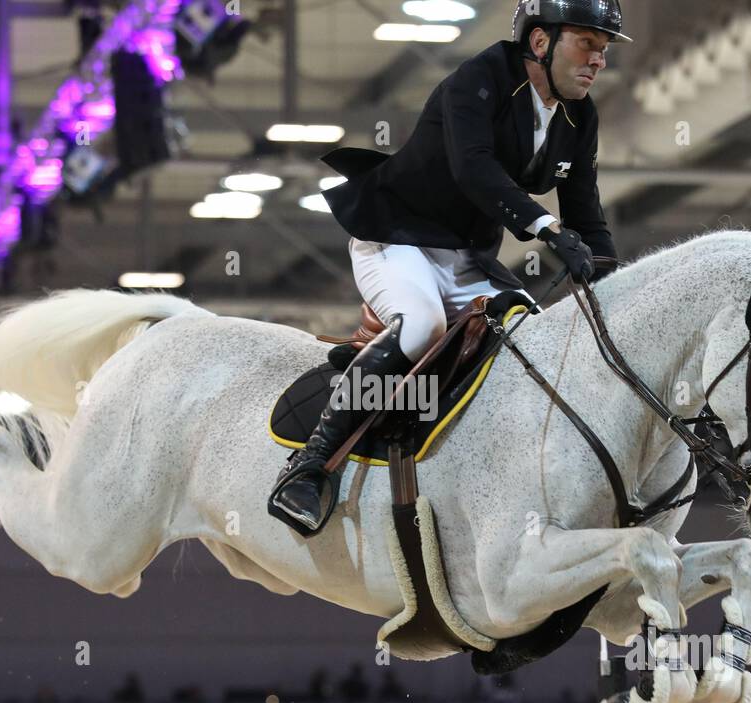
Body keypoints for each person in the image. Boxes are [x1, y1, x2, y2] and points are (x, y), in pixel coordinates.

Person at [268, 0, 631, 536]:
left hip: (465, 255)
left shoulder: (581, 115)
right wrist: (547, 230)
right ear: (540, 42)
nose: (599, 60)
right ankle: (308, 468)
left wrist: (611, 279)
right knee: (422, 326)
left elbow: (586, 209)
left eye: (602, 49)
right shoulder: (478, 81)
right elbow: (474, 170)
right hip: (395, 236)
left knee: (536, 337)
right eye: (587, 43)